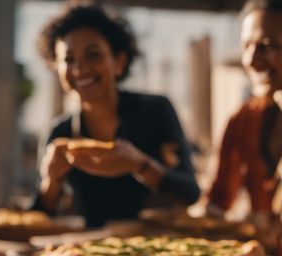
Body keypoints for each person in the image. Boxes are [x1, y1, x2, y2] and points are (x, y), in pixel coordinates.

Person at [33, 4, 200, 227]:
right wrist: (51, 182)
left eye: (93, 55)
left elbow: (190, 192)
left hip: (159, 249)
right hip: (88, 254)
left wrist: (141, 165)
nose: (79, 69)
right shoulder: (59, 133)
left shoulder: (156, 111)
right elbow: (38, 221)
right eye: (69, 59)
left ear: (119, 63)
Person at [207, 0, 282, 227]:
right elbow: (217, 207)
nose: (251, 61)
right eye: (246, 46)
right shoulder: (243, 119)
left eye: (267, 46)